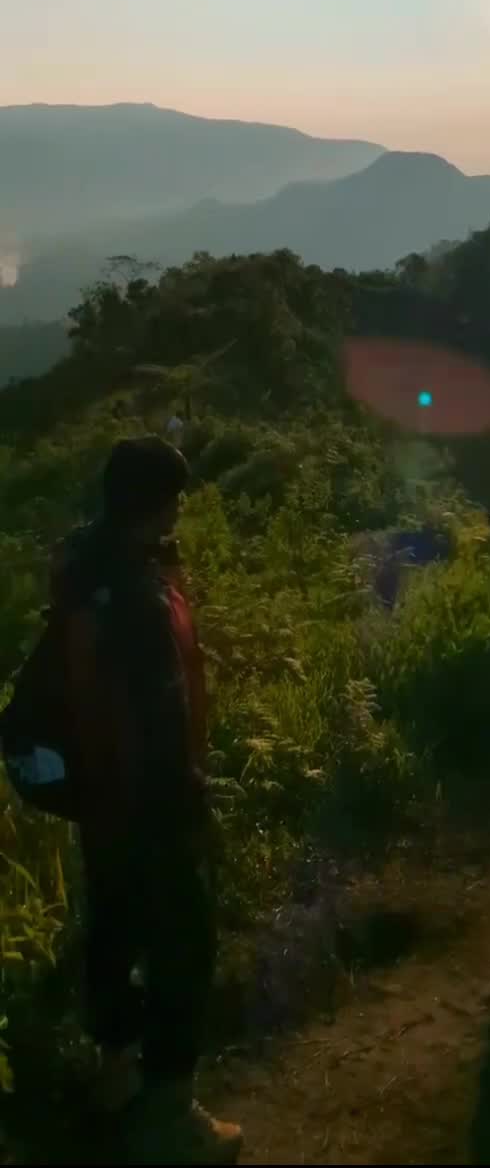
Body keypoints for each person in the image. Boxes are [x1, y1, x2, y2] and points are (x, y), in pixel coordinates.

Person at [52, 438, 241, 1163]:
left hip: (99, 797)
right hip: (154, 803)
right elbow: (161, 712)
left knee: (114, 927)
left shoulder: (82, 564)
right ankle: (170, 1115)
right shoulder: (137, 596)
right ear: (160, 504)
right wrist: (190, 801)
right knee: (183, 944)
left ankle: (114, 1075)